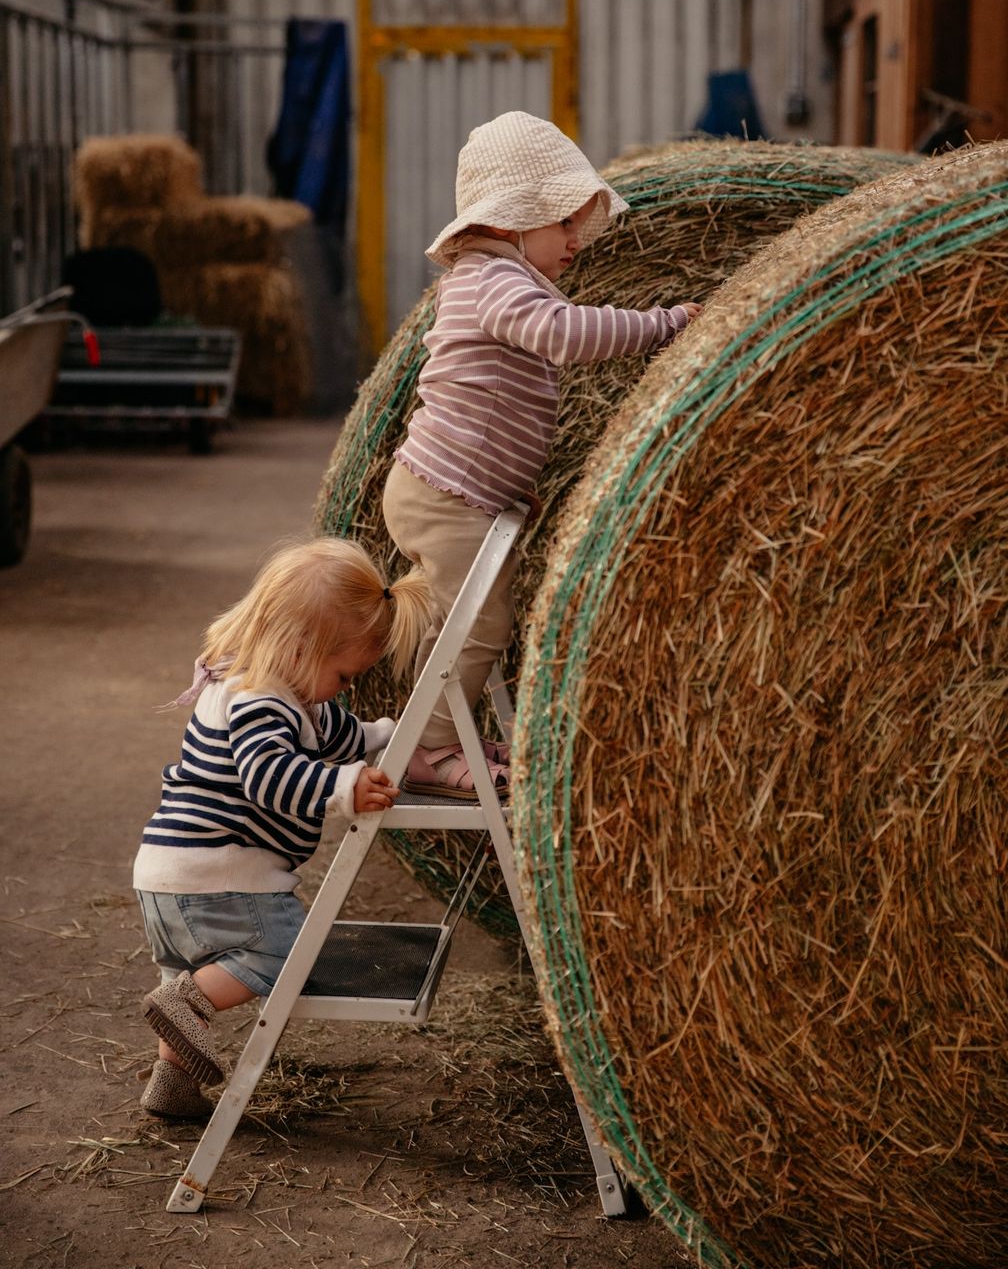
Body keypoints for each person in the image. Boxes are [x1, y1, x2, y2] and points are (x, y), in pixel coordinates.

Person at [383, 110, 701, 800]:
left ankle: (447, 732)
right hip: (442, 493)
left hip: (457, 489)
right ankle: (429, 751)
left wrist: (507, 486)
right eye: (564, 224)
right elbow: (560, 335)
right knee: (482, 621)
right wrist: (663, 324)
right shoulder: (492, 281)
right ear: (509, 223)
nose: (577, 242)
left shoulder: (499, 277)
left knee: (464, 624)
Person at [133, 536, 430, 1120]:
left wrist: (391, 734)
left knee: (191, 977)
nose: (345, 691)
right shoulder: (261, 700)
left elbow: (338, 734)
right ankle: (182, 1002)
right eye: (344, 676)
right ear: (299, 648)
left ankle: (171, 1085)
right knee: (290, 950)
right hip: (224, 876)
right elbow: (270, 775)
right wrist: (344, 790)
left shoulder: (270, 690)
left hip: (169, 877)